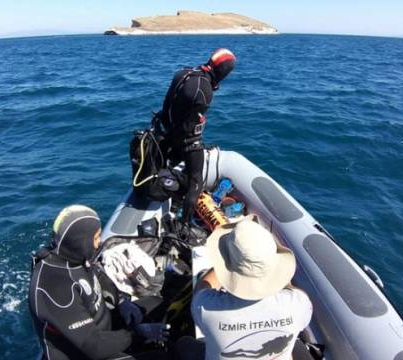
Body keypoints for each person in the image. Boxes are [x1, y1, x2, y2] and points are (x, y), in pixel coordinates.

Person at [28, 205, 169, 360]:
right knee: (162, 357)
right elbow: (95, 347)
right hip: (87, 353)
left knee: (158, 304)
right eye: (96, 237)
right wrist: (137, 334)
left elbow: (99, 277)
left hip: (104, 328)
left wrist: (121, 301)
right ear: (80, 241)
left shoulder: (75, 258)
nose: (99, 243)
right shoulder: (55, 286)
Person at [181, 217, 314, 360]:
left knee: (183, 344)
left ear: (226, 264)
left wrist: (224, 264)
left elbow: (203, 285)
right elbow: (291, 288)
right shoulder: (299, 303)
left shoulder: (205, 306)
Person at [156, 48, 236, 222]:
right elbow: (189, 129)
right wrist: (194, 144)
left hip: (166, 131)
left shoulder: (184, 72)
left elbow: (167, 103)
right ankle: (184, 224)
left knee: (177, 165)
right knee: (196, 181)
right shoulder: (204, 90)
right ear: (223, 73)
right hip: (184, 138)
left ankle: (174, 199)